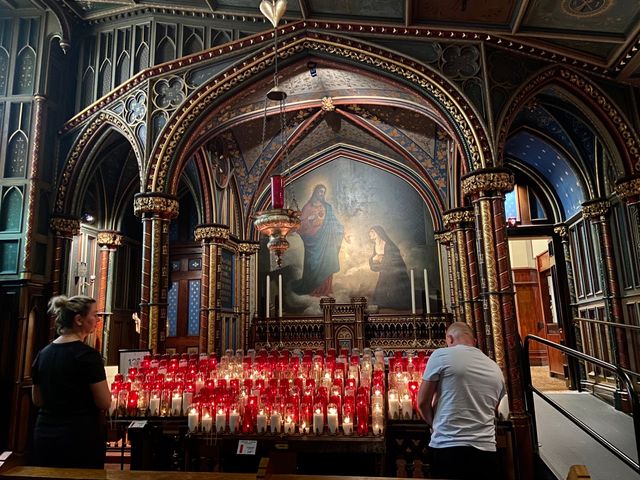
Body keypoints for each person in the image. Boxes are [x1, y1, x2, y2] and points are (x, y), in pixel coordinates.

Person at [417, 322, 507, 480]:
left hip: (449, 447)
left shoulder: (441, 355)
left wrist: (434, 424)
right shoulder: (495, 368)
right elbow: (494, 408)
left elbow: (423, 402)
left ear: (449, 339)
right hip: (487, 452)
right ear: (475, 342)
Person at [31, 295, 111, 469]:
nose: (98, 319)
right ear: (79, 319)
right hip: (79, 436)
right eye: (95, 314)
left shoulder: (43, 354)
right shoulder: (87, 356)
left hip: (45, 434)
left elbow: (37, 400)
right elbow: (104, 402)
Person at [293, 184, 346, 296]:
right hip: (312, 242)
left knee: (328, 262)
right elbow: (300, 226)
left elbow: (335, 223)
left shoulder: (328, 207)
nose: (321, 194)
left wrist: (343, 231)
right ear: (315, 192)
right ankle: (313, 290)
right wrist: (309, 220)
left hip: (327, 240)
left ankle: (326, 290)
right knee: (313, 265)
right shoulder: (308, 207)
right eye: (320, 191)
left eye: (323, 192)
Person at [368, 225, 412, 310]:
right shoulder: (376, 245)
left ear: (378, 233)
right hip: (384, 271)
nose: (370, 234)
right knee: (381, 291)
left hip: (395, 272)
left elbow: (393, 259)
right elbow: (374, 258)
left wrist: (381, 258)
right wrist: (374, 259)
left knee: (394, 291)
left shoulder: (388, 245)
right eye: (370, 233)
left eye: (372, 232)